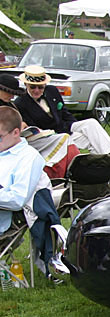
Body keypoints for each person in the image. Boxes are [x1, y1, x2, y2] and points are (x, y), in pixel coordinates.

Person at [14, 66, 110, 173]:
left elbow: (63, 111)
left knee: (90, 124)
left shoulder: (52, 91)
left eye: (40, 87)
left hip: (65, 126)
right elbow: (34, 129)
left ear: (45, 85)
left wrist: (75, 126)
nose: (37, 90)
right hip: (51, 138)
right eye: (33, 87)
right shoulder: (21, 103)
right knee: (91, 142)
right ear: (26, 85)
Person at [0, 107, 67, 281]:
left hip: (5, 222)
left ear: (16, 132)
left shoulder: (28, 158)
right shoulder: (3, 150)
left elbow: (17, 199)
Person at [1, 73, 80, 179]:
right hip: (10, 143)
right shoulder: (20, 103)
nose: (11, 96)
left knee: (68, 137)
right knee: (64, 139)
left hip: (24, 138)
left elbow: (65, 114)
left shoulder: (10, 104)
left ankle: (75, 171)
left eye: (40, 87)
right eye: (9, 93)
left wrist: (23, 125)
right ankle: (61, 174)